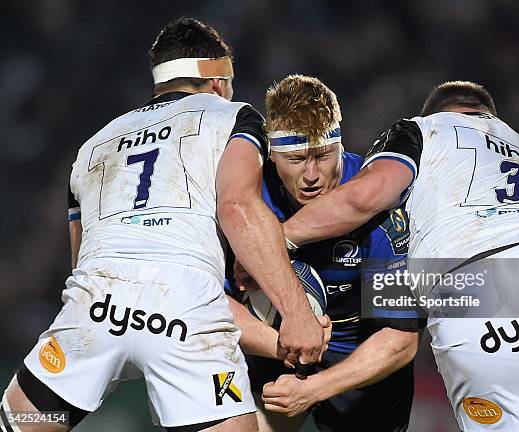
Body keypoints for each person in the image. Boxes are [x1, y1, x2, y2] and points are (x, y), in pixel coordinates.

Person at [0, 17, 323, 432]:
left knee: (20, 420)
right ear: (220, 80)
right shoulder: (231, 116)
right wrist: (296, 313)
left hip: (96, 306)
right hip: (184, 313)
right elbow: (238, 206)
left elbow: (80, 258)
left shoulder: (92, 145)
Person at [281, 81, 519, 431]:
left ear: (436, 113)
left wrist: (279, 239)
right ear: (490, 118)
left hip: (466, 292)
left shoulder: (422, 129)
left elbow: (367, 197)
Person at [226, 75, 422, 432]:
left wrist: (313, 388)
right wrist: (284, 346)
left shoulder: (377, 212)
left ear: (340, 146)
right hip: (276, 351)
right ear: (271, 154)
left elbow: (400, 340)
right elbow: (209, 303)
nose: (312, 175)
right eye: (297, 159)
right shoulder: (247, 202)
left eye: (323, 155)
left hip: (360, 365)